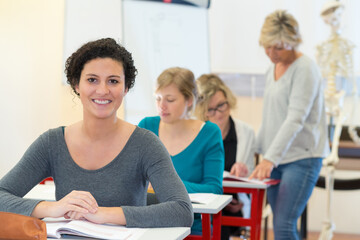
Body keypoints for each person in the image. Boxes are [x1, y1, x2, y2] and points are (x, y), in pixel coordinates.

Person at [0, 38, 193, 228]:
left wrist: (101, 213)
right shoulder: (52, 143)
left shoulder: (146, 144)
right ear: (76, 85)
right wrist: (52, 208)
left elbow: (181, 210)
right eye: (92, 80)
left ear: (126, 88)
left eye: (113, 81)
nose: (102, 90)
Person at [250, 10, 330, 240]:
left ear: (293, 42)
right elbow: (270, 116)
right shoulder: (272, 68)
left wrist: (269, 159)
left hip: (302, 158)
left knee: (284, 224)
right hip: (277, 158)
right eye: (267, 47)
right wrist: (255, 150)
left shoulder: (305, 68)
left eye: (278, 47)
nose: (271, 53)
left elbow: (295, 117)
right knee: (279, 222)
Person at [138, 67, 224, 234]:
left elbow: (214, 189)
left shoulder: (209, 133)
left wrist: (163, 186)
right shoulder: (146, 126)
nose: (162, 106)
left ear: (189, 100)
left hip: (192, 226)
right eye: (158, 98)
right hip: (147, 223)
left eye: (170, 100)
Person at [195, 74, 256, 240]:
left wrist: (244, 172)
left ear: (229, 101)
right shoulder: (195, 133)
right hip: (203, 201)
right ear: (201, 110)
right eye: (211, 109)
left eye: (222, 105)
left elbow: (251, 178)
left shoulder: (245, 133)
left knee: (220, 225)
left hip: (235, 204)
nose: (219, 113)